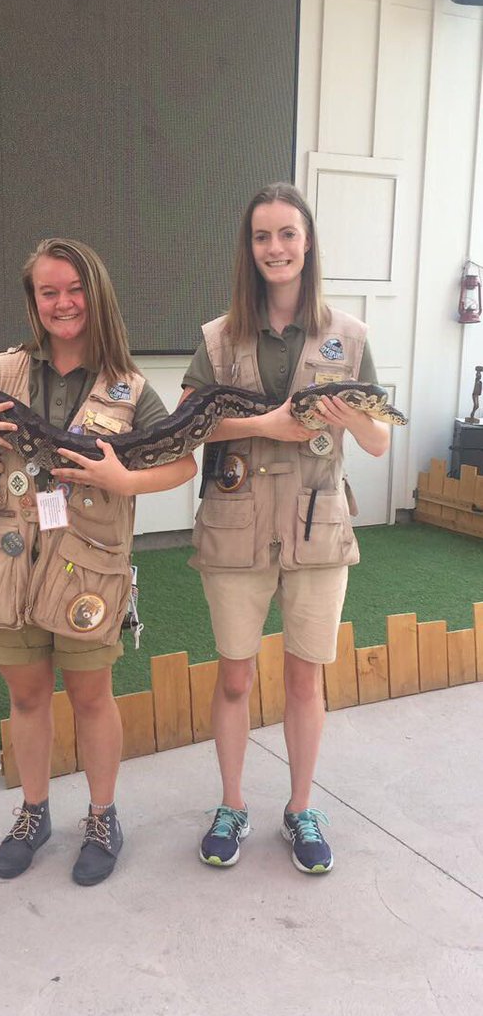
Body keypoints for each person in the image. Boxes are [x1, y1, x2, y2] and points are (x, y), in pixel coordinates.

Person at [0, 238, 197, 886]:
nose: (62, 302)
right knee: (26, 696)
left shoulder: (128, 388)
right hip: (8, 562)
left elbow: (183, 461)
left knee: (90, 696)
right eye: (47, 291)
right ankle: (33, 812)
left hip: (87, 566)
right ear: (33, 301)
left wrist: (126, 480)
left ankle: (103, 817)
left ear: (95, 293)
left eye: (73, 289)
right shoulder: (2, 372)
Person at [180, 183, 389, 874]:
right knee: (235, 678)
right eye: (262, 236)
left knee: (305, 681)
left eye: (287, 235)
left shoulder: (348, 335)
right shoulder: (218, 336)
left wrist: (345, 415)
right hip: (234, 528)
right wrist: (264, 424)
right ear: (248, 248)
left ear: (307, 243)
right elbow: (186, 426)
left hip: (316, 529)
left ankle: (300, 808)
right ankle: (232, 804)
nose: (275, 248)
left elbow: (380, 442)